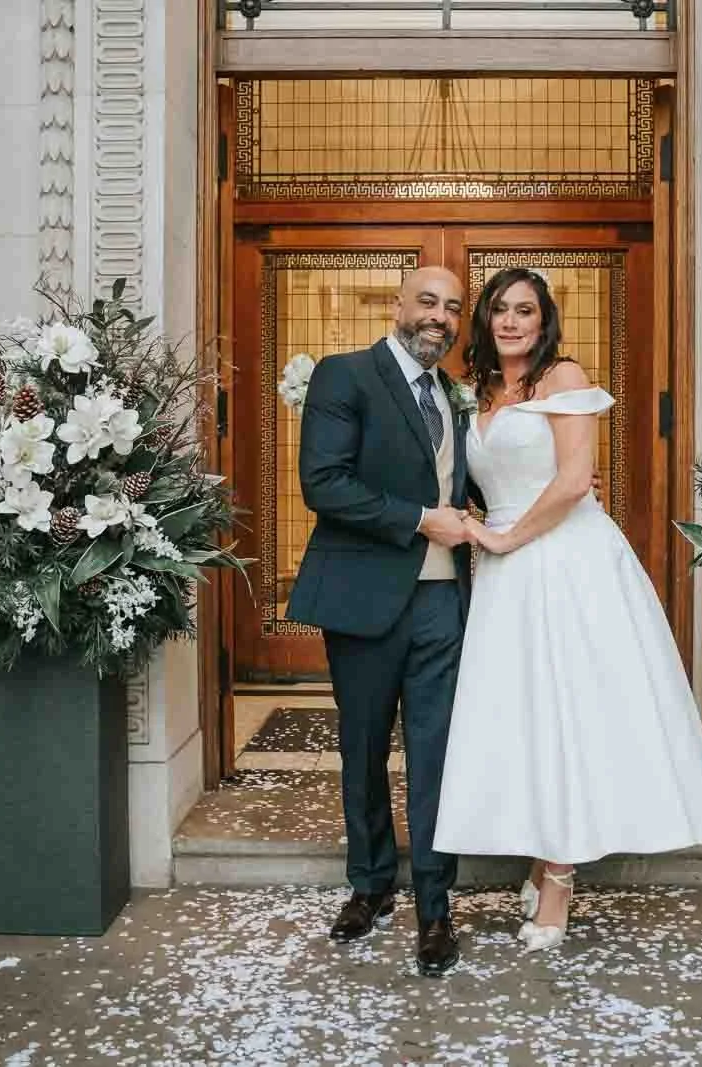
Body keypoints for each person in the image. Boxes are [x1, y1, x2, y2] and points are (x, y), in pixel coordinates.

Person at [432, 267, 702, 953]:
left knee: (570, 708)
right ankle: (543, 857)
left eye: (526, 311)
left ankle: (561, 882)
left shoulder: (564, 378)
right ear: (484, 321)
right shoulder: (478, 392)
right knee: (528, 711)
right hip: (505, 570)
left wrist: (504, 535)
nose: (511, 321)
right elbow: (495, 478)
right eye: (500, 310)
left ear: (544, 322)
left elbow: (572, 481)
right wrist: (482, 527)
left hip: (566, 561)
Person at [287, 266, 474, 977]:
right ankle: (370, 884)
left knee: (434, 754)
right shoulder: (345, 376)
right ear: (398, 304)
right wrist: (425, 520)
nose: (440, 317)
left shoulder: (453, 395)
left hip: (441, 602)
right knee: (363, 747)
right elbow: (324, 484)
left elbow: (462, 484)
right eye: (427, 301)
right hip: (363, 598)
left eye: (453, 308)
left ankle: (435, 905)